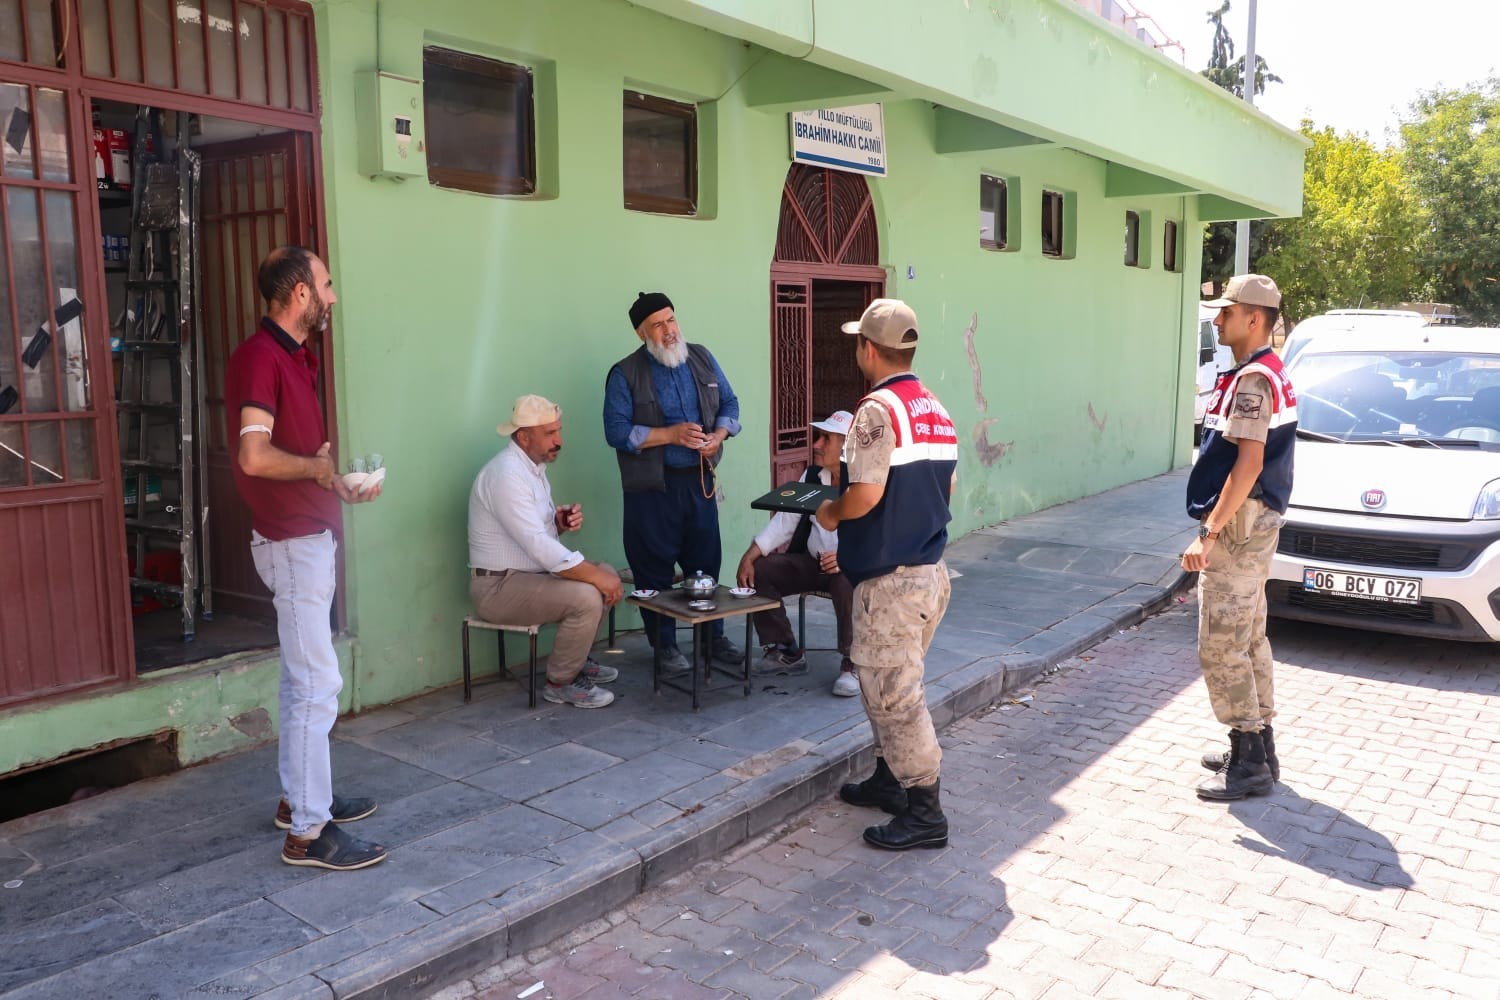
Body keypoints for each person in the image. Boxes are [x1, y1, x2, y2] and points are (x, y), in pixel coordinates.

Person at [226, 247, 386, 871]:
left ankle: (301, 804)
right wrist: (318, 469)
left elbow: (295, 463)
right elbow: (255, 458)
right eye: (325, 283)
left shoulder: (293, 358)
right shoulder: (260, 357)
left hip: (306, 535)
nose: (332, 295)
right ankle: (308, 835)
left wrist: (336, 481)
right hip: (292, 544)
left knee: (303, 682)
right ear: (298, 292)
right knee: (318, 685)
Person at [815, 299, 958, 851]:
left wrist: (829, 511)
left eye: (857, 344)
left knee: (895, 697)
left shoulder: (876, 409)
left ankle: (925, 811)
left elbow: (866, 493)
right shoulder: (935, 408)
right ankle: (889, 780)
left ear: (868, 349)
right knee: (882, 690)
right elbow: (944, 490)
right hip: (927, 573)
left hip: (891, 583)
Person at [1183, 274, 1297, 801]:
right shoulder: (1262, 372)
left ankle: (1249, 761)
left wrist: (1208, 532)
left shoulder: (1255, 380)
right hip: (1254, 525)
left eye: (1227, 312)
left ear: (1255, 319)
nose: (1218, 318)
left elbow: (1247, 464)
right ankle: (1260, 748)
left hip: (1238, 528)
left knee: (1222, 644)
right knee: (1249, 637)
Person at [603, 292, 744, 675]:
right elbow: (616, 432)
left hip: (698, 481)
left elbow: (730, 404)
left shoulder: (700, 356)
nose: (668, 331)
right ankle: (664, 645)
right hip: (652, 488)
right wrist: (670, 436)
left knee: (706, 564)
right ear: (641, 333)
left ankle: (711, 639)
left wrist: (719, 434)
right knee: (654, 570)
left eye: (671, 320)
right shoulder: (625, 373)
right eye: (658, 325)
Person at [469, 395, 623, 708]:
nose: (559, 441)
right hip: (497, 588)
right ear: (524, 437)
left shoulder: (532, 469)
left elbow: (534, 533)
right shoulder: (506, 474)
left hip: (524, 577)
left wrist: (559, 522)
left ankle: (575, 660)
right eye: (550, 434)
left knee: (606, 573)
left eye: (558, 431)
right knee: (589, 593)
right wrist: (592, 576)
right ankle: (561, 682)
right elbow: (537, 545)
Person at [735, 410, 859, 697]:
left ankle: (852, 662)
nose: (817, 444)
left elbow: (879, 531)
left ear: (846, 446)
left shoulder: (865, 483)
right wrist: (750, 555)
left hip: (851, 569)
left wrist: (846, 558)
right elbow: (785, 521)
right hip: (812, 563)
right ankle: (785, 650)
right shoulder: (814, 475)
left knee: (846, 581)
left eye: (825, 438)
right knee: (762, 571)